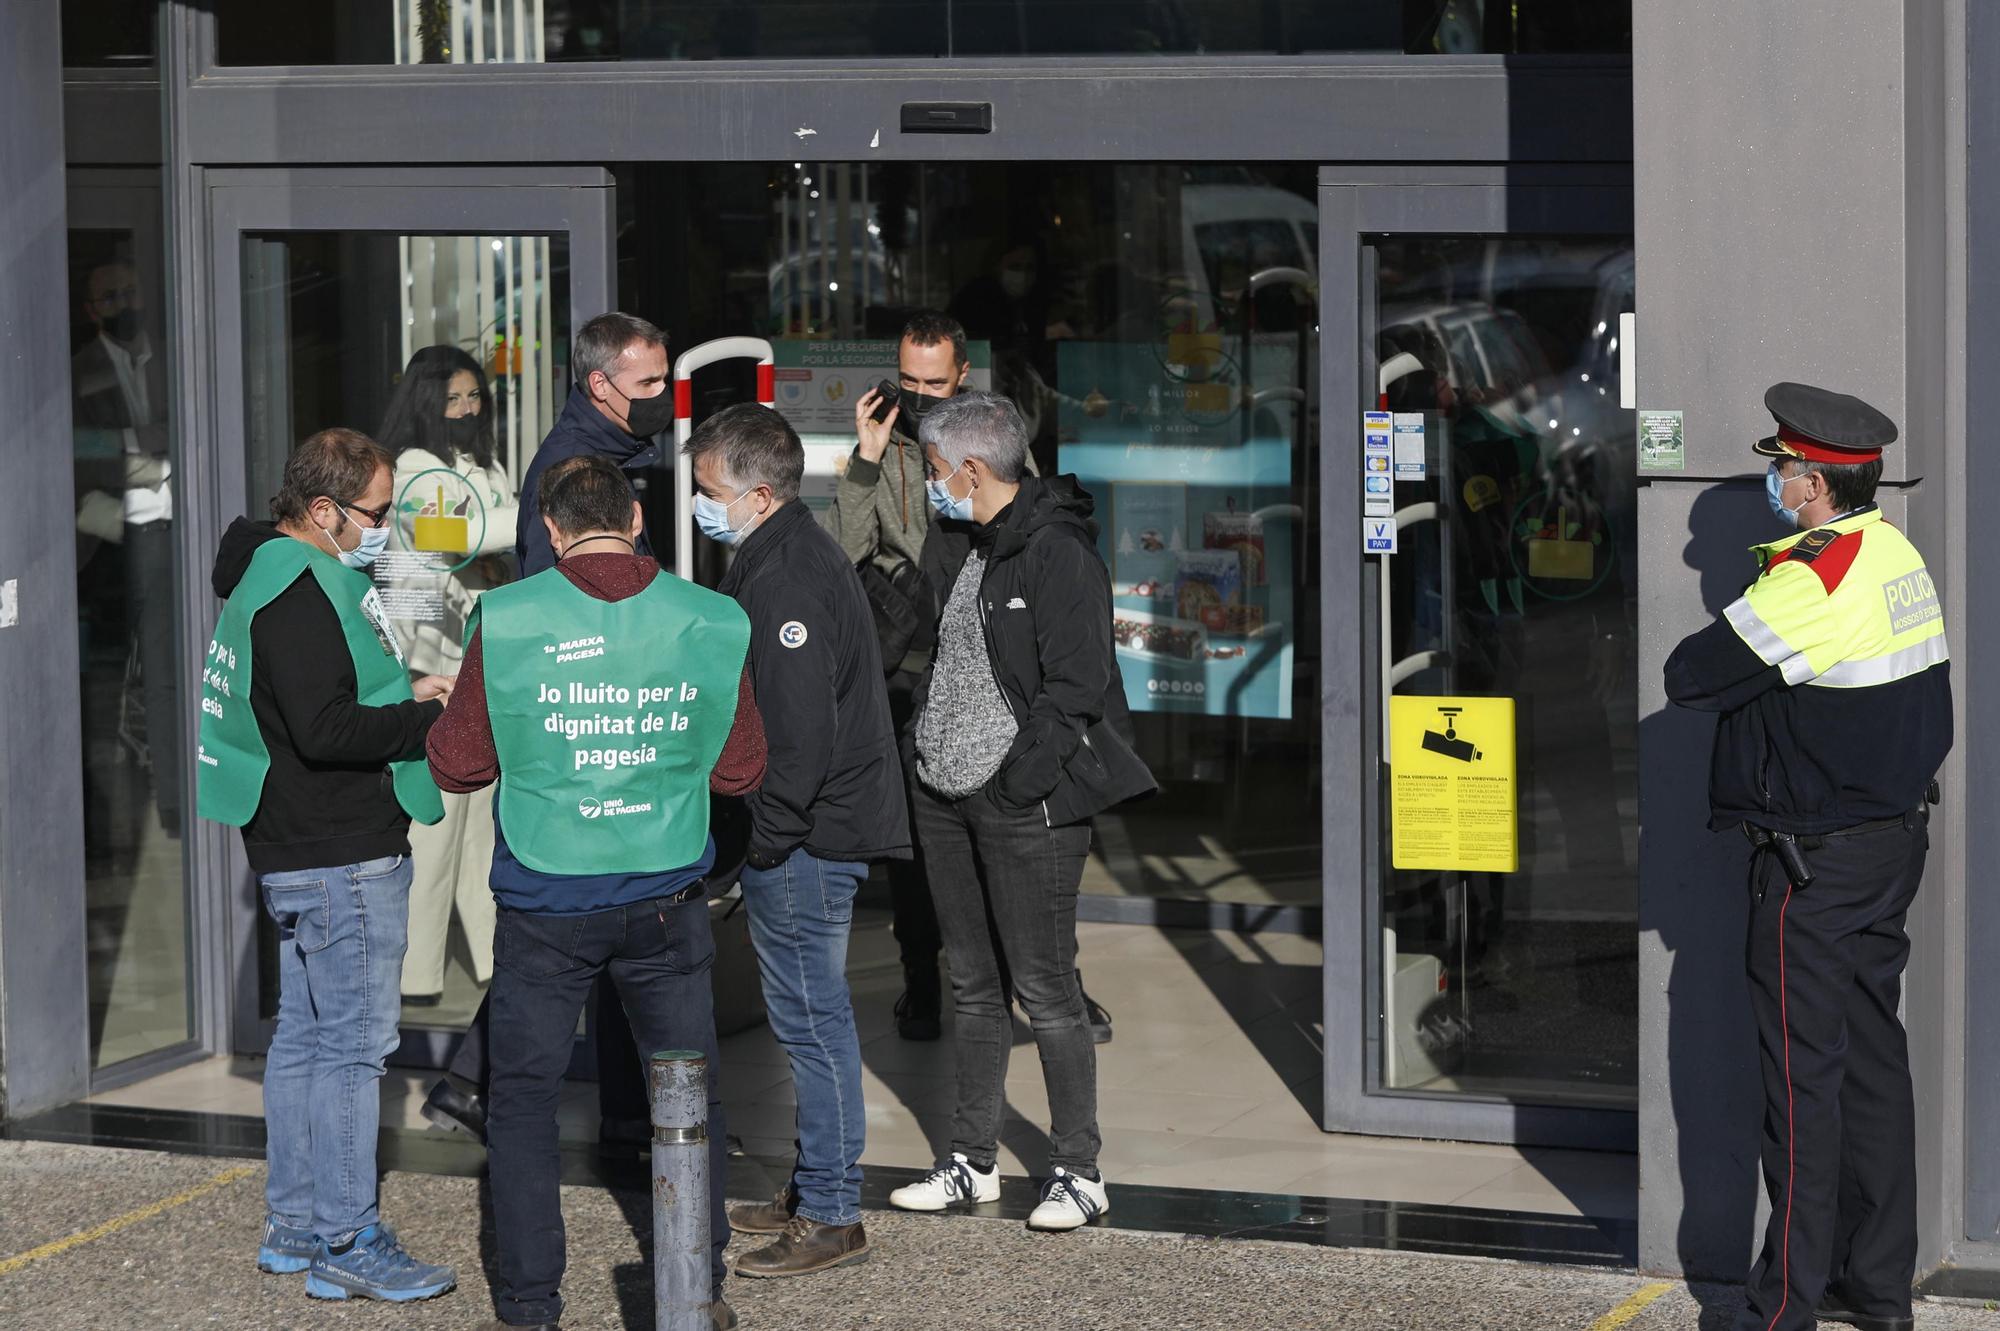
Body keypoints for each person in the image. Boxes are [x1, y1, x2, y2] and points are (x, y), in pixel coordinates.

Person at [425, 454, 764, 1331]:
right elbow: (742, 769)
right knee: (686, 1094)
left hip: (546, 898)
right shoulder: (711, 617)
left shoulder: (505, 615)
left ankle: (532, 1304)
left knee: (526, 1101)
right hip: (664, 893)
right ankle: (697, 1280)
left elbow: (458, 765)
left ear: (551, 529)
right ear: (639, 519)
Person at [1664, 383, 1951, 1331]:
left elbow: (1691, 674)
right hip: (1889, 844)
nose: (1775, 481)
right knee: (1873, 1065)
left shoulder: (1811, 578)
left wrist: (1766, 587)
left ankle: (1781, 1305)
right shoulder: (1892, 552)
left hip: (1813, 867)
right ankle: (1873, 1287)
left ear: (1817, 484)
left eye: (1783, 468)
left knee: (1800, 1079)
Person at [194, 428, 457, 1304]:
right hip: (340, 851)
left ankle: (296, 1225)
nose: (385, 528)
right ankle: (348, 1235)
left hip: (299, 847)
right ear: (323, 510)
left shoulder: (267, 574)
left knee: (306, 1043)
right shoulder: (299, 593)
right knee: (352, 1051)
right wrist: (423, 718)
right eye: (378, 513)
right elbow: (325, 728)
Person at [885, 392, 1154, 1232]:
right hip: (944, 798)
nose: (931, 487)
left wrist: (1015, 786)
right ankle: (971, 1159)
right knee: (972, 985)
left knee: (1046, 989)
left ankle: (1079, 1168)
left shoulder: (1057, 551)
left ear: (971, 469)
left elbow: (1077, 687)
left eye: (934, 472)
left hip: (1018, 805)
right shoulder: (958, 540)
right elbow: (918, 635)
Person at [421, 312, 675, 1146]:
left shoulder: (615, 451)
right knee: (589, 926)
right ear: (600, 385)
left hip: (592, 709)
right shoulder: (577, 468)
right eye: (648, 386)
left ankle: (479, 1081)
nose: (662, 399)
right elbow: (553, 595)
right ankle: (621, 1115)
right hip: (587, 717)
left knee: (586, 924)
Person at [832, 311, 1112, 1044]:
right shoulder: (884, 449)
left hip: (994, 664)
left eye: (934, 381)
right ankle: (922, 980)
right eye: (908, 380)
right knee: (922, 849)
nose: (918, 395)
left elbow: (1032, 536)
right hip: (918, 667)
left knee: (1022, 840)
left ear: (963, 375)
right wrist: (863, 463)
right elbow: (846, 550)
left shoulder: (991, 441)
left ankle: (1056, 981)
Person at [684, 404, 910, 1277]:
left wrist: (766, 845)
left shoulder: (786, 581)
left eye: (710, 492)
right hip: (804, 835)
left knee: (812, 1023)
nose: (703, 505)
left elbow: (800, 736)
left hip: (808, 841)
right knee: (805, 1019)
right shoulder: (781, 553)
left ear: (761, 492)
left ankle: (831, 1212)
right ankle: (813, 1183)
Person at [377, 344, 520, 1007]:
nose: (466, 408)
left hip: (480, 658)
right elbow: (456, 538)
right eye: (452, 398)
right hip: (434, 663)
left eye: (473, 396)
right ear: (425, 404)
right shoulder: (411, 467)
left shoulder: (478, 462)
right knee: (436, 825)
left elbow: (483, 543)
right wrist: (537, 512)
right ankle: (418, 972)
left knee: (480, 824)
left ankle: (491, 958)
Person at [72, 257, 179, 835]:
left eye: (129, 289)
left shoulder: (176, 351)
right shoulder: (77, 373)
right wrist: (154, 462)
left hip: (172, 542)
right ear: (91, 311)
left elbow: (187, 433)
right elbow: (74, 455)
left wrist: (119, 448)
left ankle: (172, 804)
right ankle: (102, 824)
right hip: (106, 549)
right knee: (101, 690)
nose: (122, 301)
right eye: (108, 296)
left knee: (168, 676)